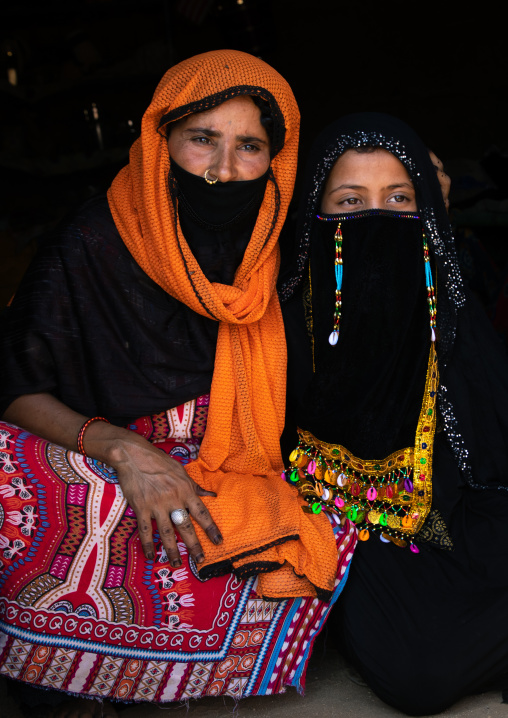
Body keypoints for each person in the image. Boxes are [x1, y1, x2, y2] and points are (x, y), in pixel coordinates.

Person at [0, 50, 356, 714]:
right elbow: (16, 384)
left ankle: (160, 666)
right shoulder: (91, 240)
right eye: (202, 140)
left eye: (248, 147)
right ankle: (79, 673)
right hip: (107, 458)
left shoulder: (282, 244)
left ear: (276, 157)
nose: (224, 170)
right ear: (160, 139)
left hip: (239, 458)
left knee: (338, 508)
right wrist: (127, 453)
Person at [279, 112, 508, 716]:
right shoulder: (285, 326)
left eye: (399, 199)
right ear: (315, 215)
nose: (375, 220)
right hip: (370, 527)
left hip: (477, 511)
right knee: (420, 673)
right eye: (350, 202)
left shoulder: (450, 304)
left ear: (427, 210)